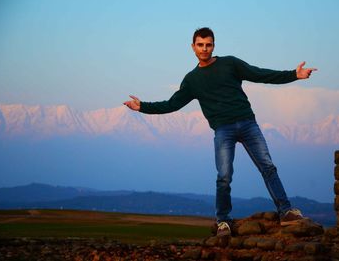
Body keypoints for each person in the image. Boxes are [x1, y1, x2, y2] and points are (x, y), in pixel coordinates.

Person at [124, 27, 317, 237]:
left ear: (213, 46)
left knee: (268, 167)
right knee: (224, 176)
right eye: (200, 45)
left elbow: (260, 74)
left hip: (247, 123)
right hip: (223, 130)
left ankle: (286, 212)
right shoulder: (192, 80)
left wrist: (293, 75)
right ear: (193, 47)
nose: (204, 49)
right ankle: (223, 221)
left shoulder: (230, 63)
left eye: (208, 44)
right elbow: (172, 104)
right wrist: (142, 106)